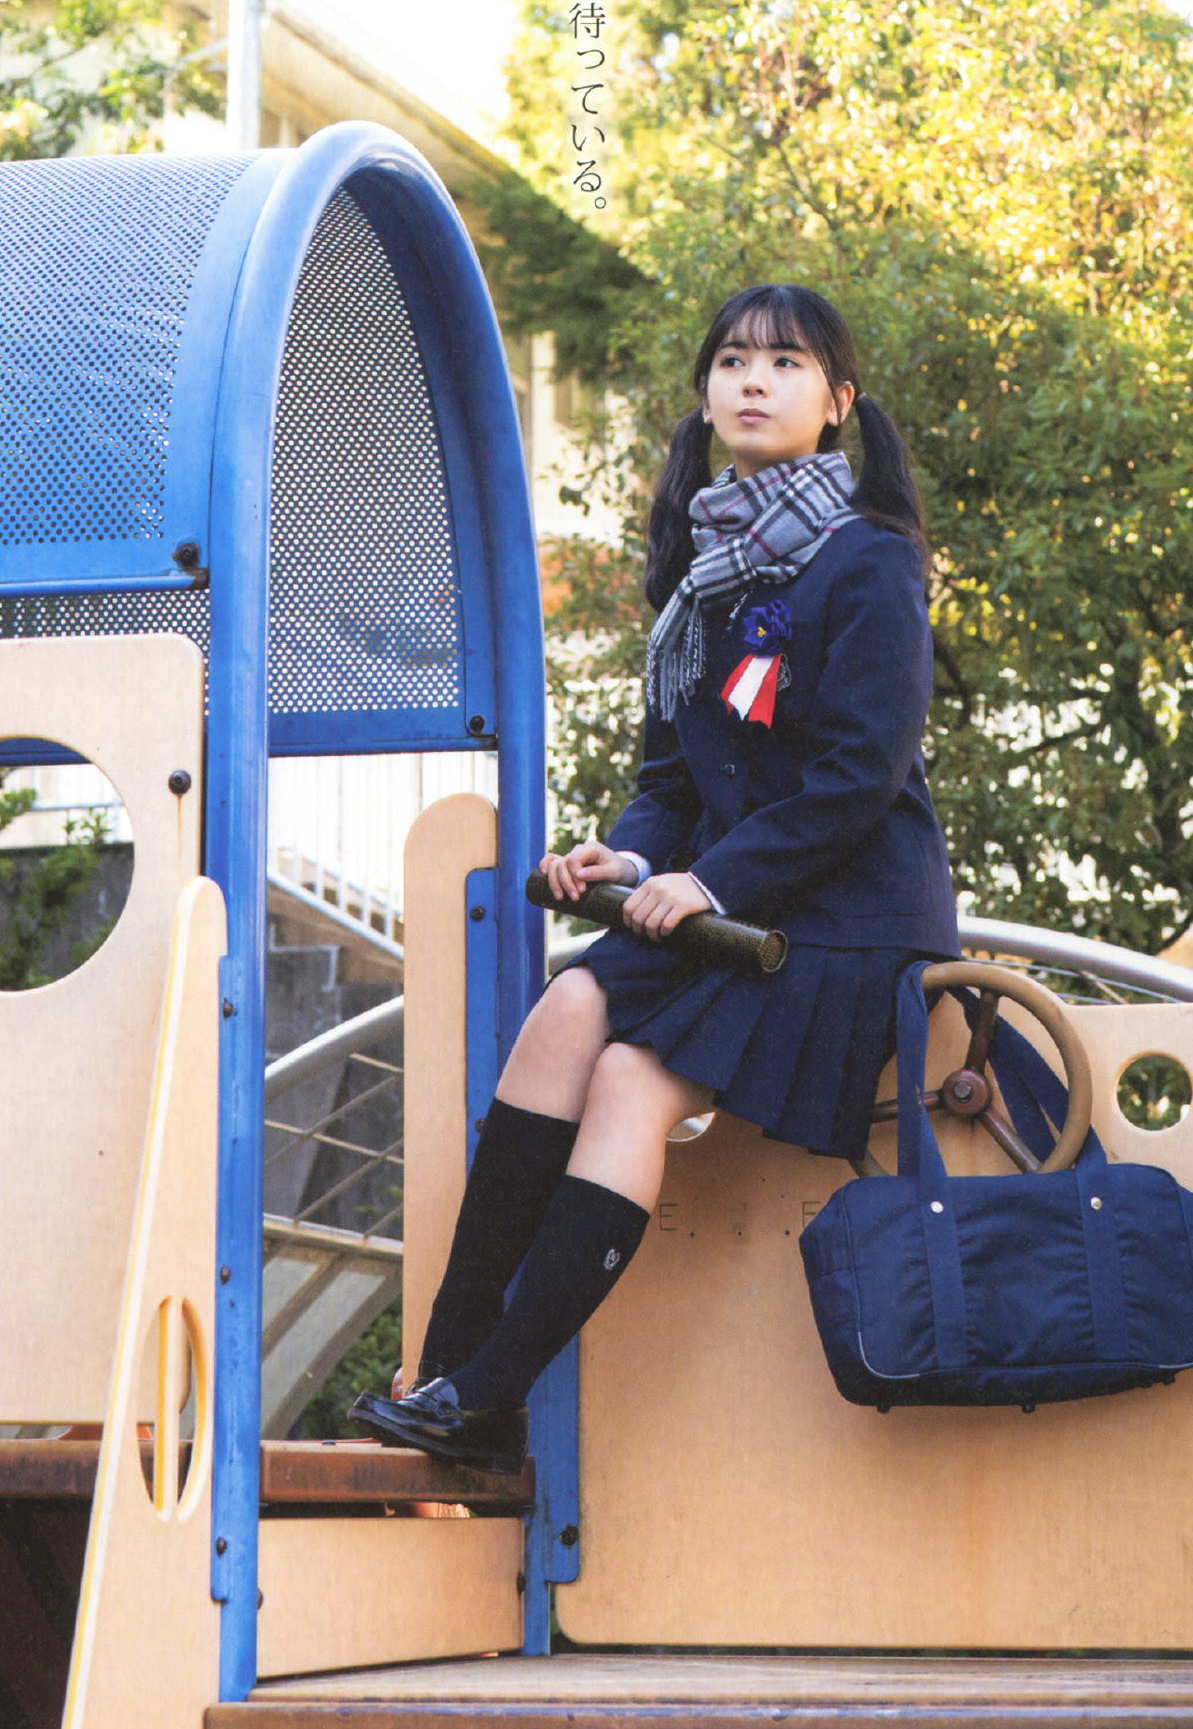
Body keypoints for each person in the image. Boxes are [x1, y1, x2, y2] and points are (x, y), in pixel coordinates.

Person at [353, 282, 960, 1469]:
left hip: (843, 920)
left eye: (783, 363)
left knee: (630, 1078)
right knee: (564, 1012)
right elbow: (672, 776)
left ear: (836, 403)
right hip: (732, 911)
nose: (751, 379)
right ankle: (447, 1366)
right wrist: (629, 855)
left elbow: (859, 777)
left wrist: (710, 881)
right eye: (731, 359)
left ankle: (485, 1394)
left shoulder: (869, 562)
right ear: (705, 392)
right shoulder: (704, 571)